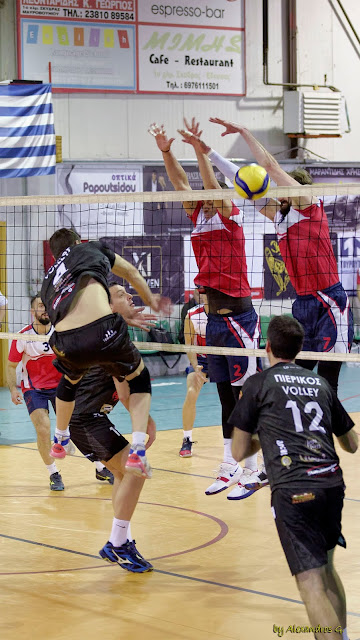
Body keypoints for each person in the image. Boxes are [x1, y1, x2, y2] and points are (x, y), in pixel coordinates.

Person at [149, 120, 265, 499]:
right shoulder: (196, 216)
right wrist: (167, 151)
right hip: (214, 319)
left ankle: (253, 469)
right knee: (224, 397)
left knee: (245, 394)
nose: (195, 197)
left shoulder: (231, 214)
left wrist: (201, 150)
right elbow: (181, 183)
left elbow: (213, 188)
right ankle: (230, 464)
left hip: (239, 317)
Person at [230, 315, 357, 640]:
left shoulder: (258, 383)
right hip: (331, 484)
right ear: (300, 351)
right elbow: (352, 443)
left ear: (267, 347)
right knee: (326, 568)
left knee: (310, 581)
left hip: (294, 489)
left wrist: (270, 436)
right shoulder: (321, 384)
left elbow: (239, 451)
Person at [208, 118, 354, 395]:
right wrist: (211, 155)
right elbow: (243, 180)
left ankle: (331, 432)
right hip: (304, 303)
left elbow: (271, 168)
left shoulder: (310, 206)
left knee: (328, 380)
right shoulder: (280, 217)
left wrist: (245, 131)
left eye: (282, 192)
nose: (277, 197)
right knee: (297, 377)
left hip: (328, 300)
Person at [40, 229, 170, 480]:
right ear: (78, 243)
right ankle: (139, 446)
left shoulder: (48, 280)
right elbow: (131, 272)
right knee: (139, 379)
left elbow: (65, 314)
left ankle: (60, 437)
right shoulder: (90, 248)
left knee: (69, 379)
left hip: (64, 343)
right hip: (101, 336)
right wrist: (151, 299)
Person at [69, 283, 157, 573]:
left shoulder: (110, 331)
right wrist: (144, 427)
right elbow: (126, 393)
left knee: (124, 473)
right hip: (85, 420)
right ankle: (117, 543)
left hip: (91, 418)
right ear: (107, 304)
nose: (130, 296)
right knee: (136, 469)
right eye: (122, 294)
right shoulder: (109, 340)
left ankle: (123, 539)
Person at [6, 294, 115, 490]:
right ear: (33, 312)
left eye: (47, 305)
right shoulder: (22, 336)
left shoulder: (62, 332)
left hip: (62, 387)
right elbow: (10, 364)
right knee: (43, 428)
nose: (45, 309)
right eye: (40, 306)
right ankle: (53, 473)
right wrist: (13, 388)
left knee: (79, 427)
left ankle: (100, 467)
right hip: (34, 389)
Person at [180, 293, 209, 457]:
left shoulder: (226, 313)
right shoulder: (192, 314)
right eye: (202, 292)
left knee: (242, 395)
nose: (204, 296)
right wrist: (195, 366)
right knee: (191, 392)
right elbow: (189, 344)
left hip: (224, 359)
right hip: (202, 361)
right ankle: (187, 439)